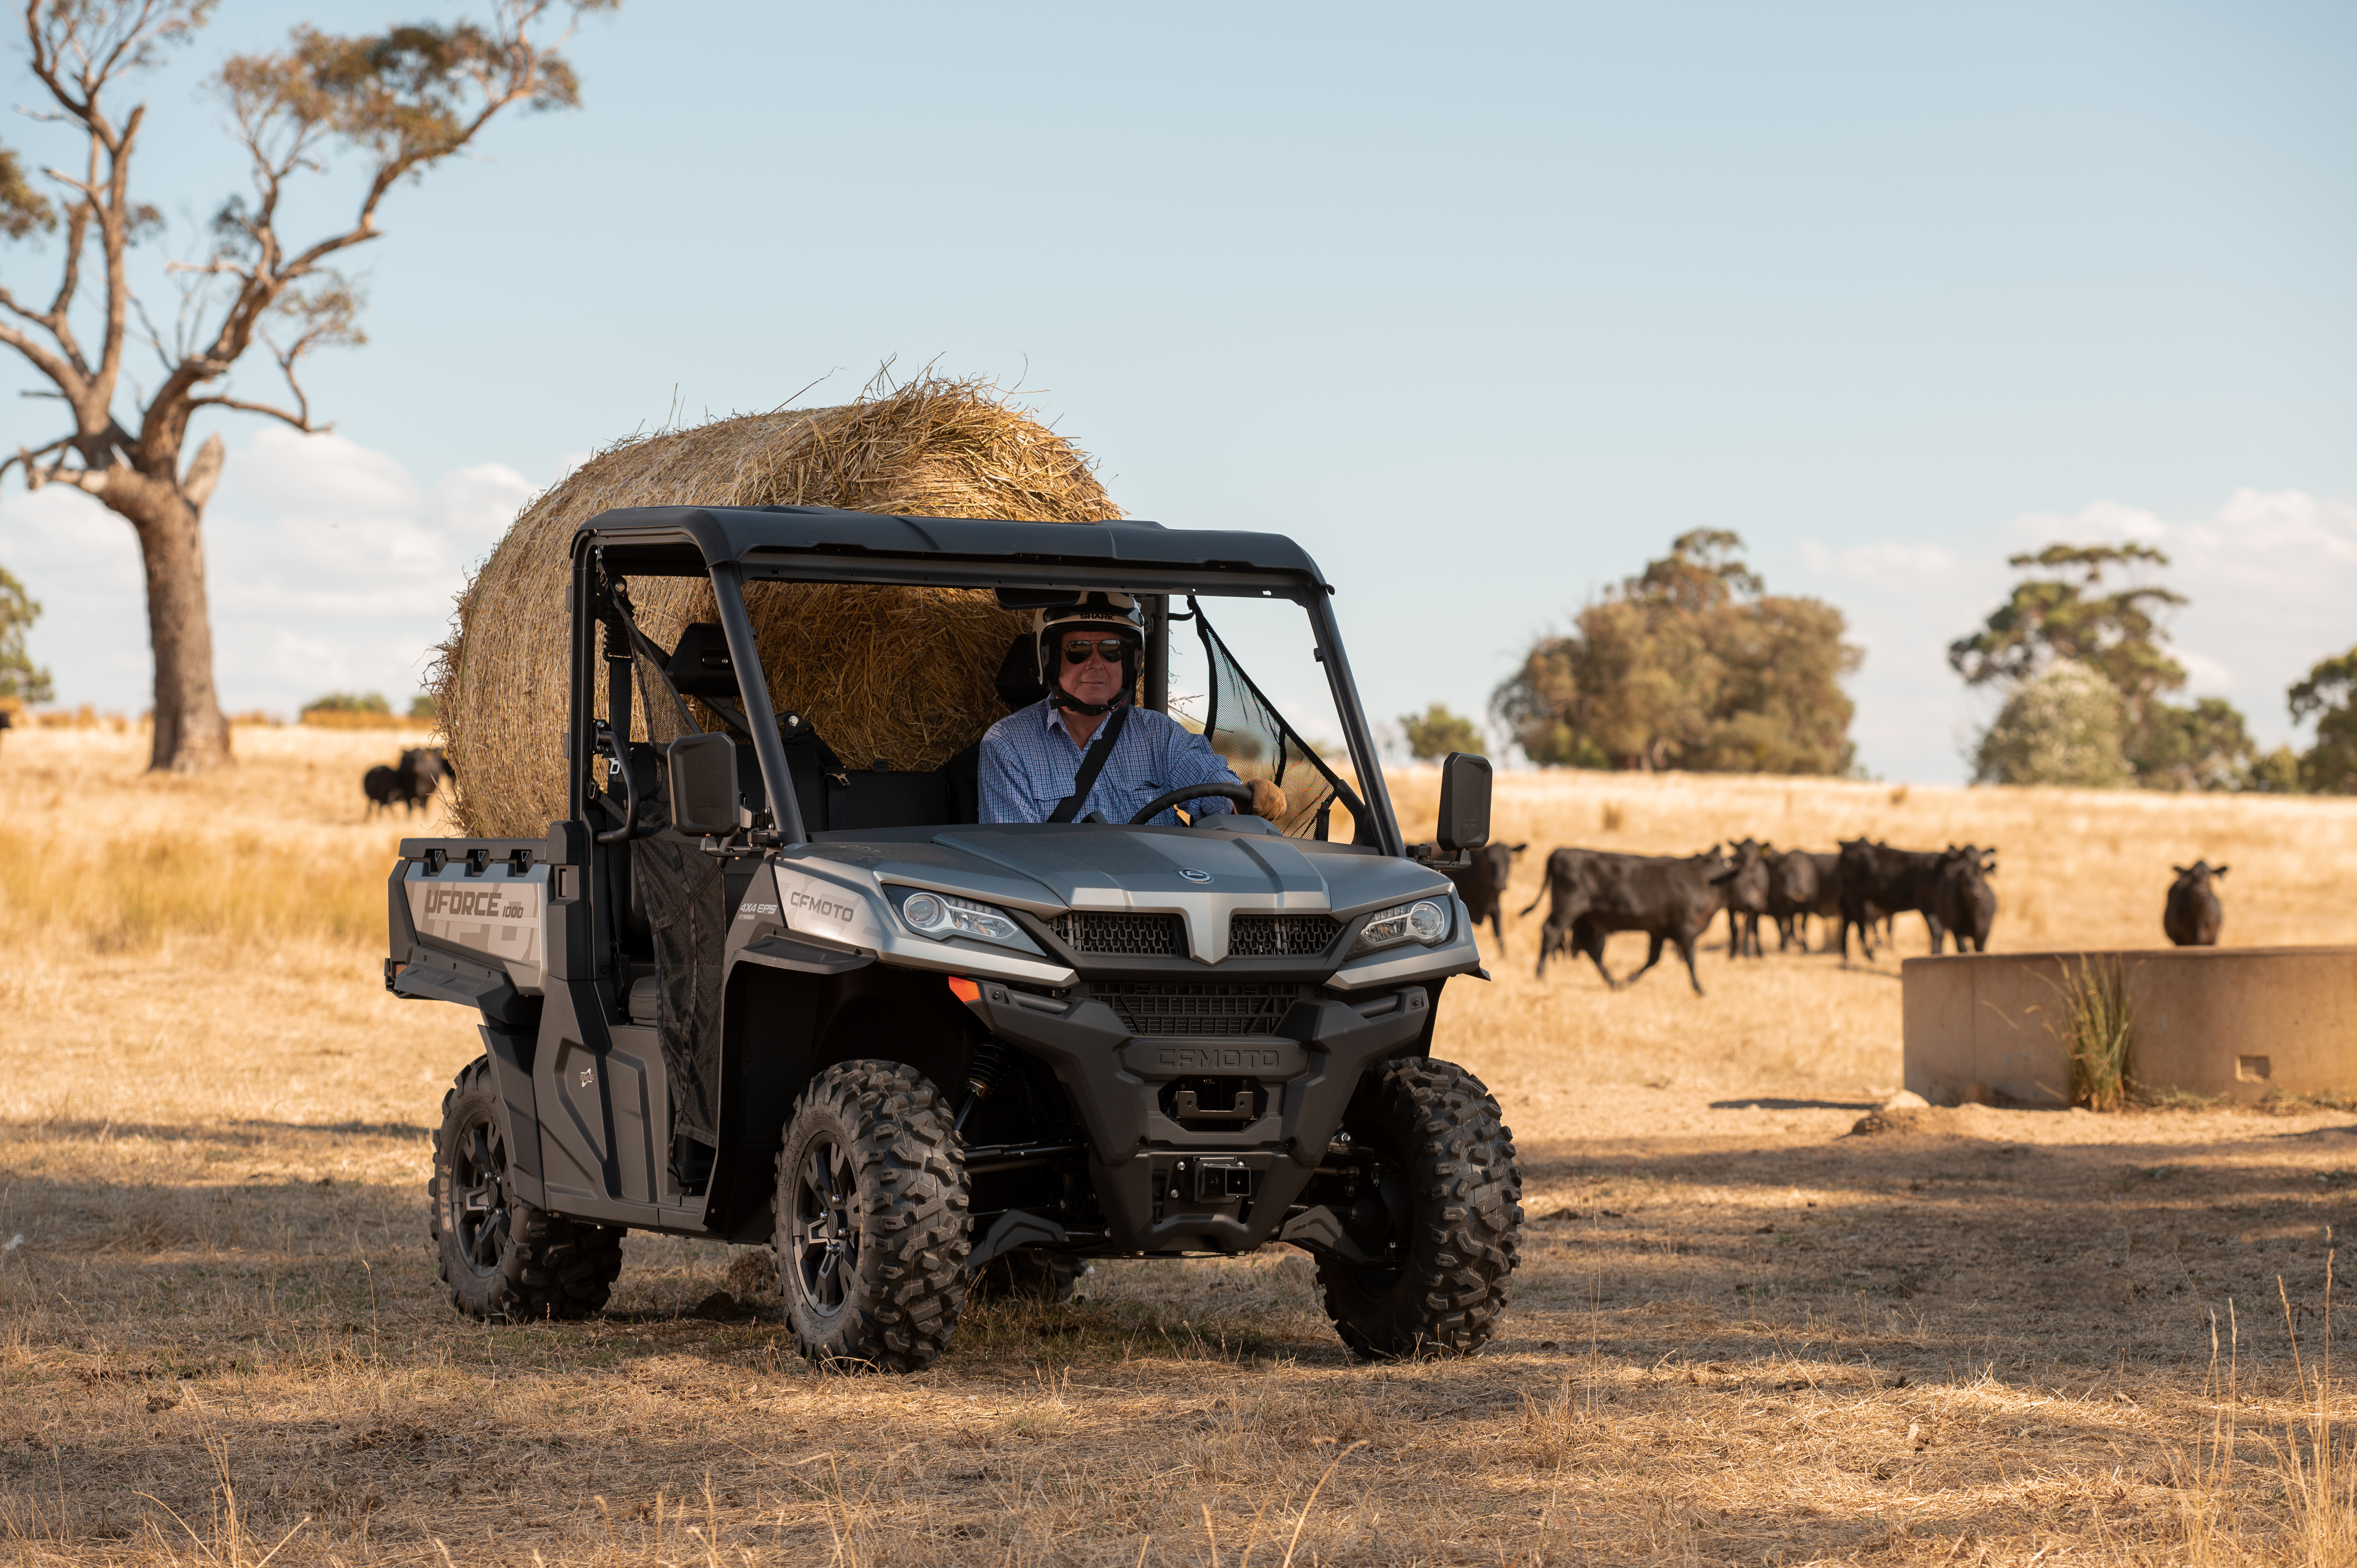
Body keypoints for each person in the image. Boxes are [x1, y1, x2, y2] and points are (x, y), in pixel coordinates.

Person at [979, 591, 1285, 826]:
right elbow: (1015, 856)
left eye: (1112, 650)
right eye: (1078, 650)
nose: (1096, 664)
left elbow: (1207, 779)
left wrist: (1239, 800)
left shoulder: (1159, 734)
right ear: (1048, 659)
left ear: (1130, 663)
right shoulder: (1008, 745)